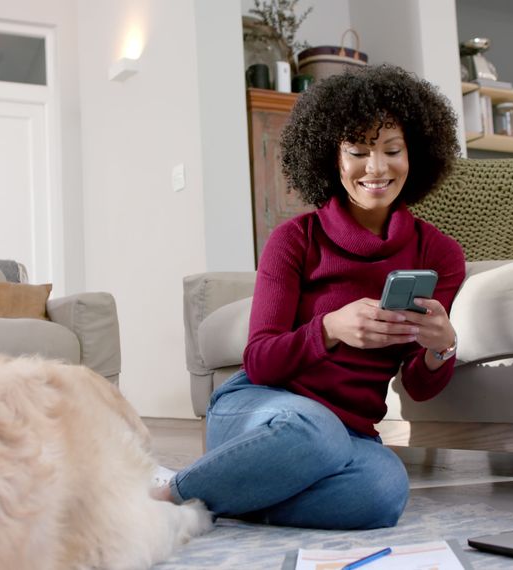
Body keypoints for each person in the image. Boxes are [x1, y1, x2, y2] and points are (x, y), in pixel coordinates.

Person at [157, 65, 465, 530]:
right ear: (333, 159)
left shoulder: (439, 254)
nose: (376, 168)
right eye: (358, 152)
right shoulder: (294, 239)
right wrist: (330, 329)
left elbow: (418, 387)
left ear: (414, 154)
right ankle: (167, 494)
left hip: (352, 432)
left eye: (392, 150)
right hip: (263, 408)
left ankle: (231, 493)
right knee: (314, 433)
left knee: (384, 492)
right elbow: (259, 361)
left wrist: (441, 346)